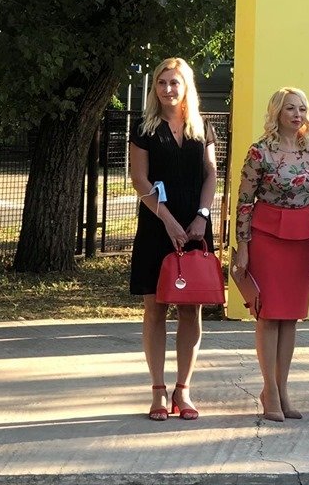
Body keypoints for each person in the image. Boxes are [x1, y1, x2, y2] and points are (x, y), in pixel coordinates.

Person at [129, 57, 217, 421]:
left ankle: (184, 389)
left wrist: (202, 216)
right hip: (156, 226)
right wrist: (166, 220)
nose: (167, 89)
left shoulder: (202, 127)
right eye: (161, 82)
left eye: (174, 82)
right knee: (155, 307)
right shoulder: (144, 128)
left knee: (190, 308)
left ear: (186, 87)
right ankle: (158, 391)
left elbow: (211, 175)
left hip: (195, 226)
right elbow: (140, 180)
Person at [233, 87, 309, 421]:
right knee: (269, 314)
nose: (297, 114)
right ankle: (269, 391)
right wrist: (242, 247)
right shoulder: (259, 151)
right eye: (290, 108)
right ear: (276, 112)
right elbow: (244, 202)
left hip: (303, 239)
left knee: (290, 317)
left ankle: (283, 389)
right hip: (266, 237)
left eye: (302, 108)